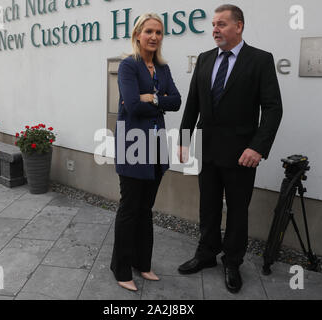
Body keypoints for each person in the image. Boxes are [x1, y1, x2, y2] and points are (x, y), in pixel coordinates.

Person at [177, 4, 282, 294]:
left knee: (237, 210)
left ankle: (232, 261)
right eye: (213, 24)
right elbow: (193, 103)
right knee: (207, 205)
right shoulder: (205, 59)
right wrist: (184, 140)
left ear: (239, 26)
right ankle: (206, 254)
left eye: (222, 24)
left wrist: (257, 147)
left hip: (242, 155)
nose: (215, 29)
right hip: (207, 149)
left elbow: (273, 108)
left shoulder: (260, 60)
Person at [111, 13, 181, 291]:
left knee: (146, 209)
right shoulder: (129, 65)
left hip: (155, 147)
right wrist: (157, 100)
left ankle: (143, 264)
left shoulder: (162, 69)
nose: (154, 36)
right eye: (149, 31)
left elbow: (176, 101)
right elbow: (131, 104)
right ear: (138, 34)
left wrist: (150, 97)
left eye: (159, 32)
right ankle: (121, 268)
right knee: (129, 209)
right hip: (132, 145)